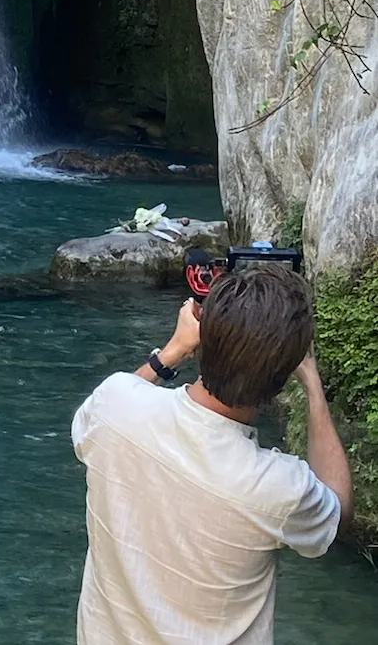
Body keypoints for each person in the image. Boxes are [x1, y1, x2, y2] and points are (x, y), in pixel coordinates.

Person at [70, 266, 353, 645]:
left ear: (203, 339)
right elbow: (339, 510)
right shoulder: (279, 489)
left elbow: (101, 413)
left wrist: (173, 350)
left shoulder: (113, 407)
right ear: (282, 375)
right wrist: (313, 386)